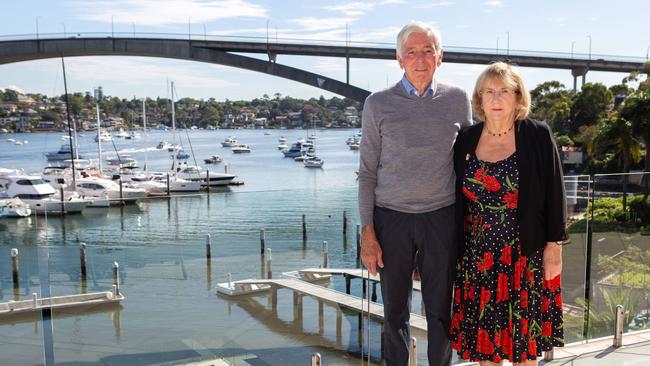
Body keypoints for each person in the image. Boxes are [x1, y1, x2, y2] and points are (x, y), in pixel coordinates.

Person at [358, 21, 472, 366]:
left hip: (441, 218)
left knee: (440, 313)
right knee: (394, 315)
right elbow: (366, 173)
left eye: (427, 51)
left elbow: (469, 163)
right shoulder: (377, 104)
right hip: (390, 220)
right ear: (399, 59)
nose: (420, 59)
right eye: (412, 52)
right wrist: (368, 233)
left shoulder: (458, 100)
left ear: (440, 57)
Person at [449, 62, 566, 365]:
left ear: (517, 97)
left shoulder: (537, 135)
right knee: (486, 351)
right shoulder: (466, 139)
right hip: (478, 261)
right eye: (489, 91)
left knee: (523, 352)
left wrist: (554, 247)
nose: (496, 98)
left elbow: (555, 192)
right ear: (480, 99)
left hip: (525, 259)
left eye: (504, 91)